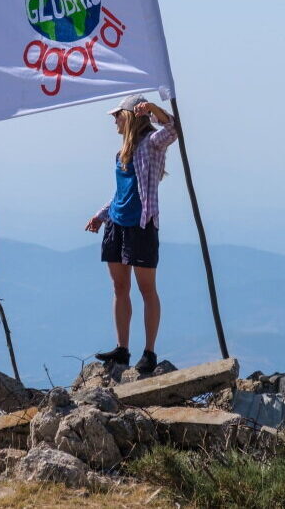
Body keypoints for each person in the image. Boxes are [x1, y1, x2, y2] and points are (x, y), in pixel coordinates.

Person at [85, 95, 177, 374]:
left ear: (130, 117)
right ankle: (122, 348)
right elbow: (120, 194)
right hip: (117, 223)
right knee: (119, 287)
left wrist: (152, 109)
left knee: (146, 289)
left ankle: (149, 352)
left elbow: (173, 129)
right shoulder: (120, 153)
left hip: (141, 225)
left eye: (118, 115)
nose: (114, 120)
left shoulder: (151, 145)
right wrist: (101, 216)